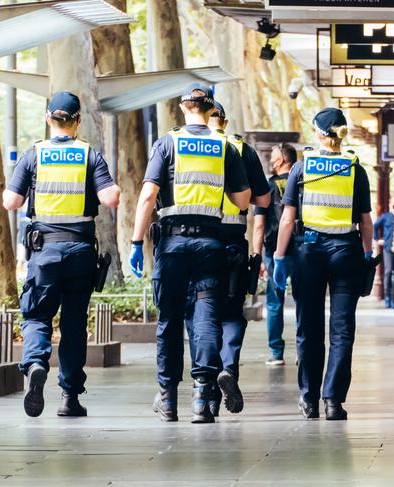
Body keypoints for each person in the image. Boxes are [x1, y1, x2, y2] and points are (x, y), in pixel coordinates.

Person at [128, 84, 251, 423]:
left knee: (169, 319)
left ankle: (168, 399)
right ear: (211, 109)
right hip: (211, 244)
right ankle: (202, 397)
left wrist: (137, 242)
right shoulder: (225, 147)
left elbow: (148, 195)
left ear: (182, 108)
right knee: (207, 317)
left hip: (172, 243)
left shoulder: (167, 143)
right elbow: (242, 201)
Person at [2, 91, 120, 418]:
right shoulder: (89, 155)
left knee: (37, 315)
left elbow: (10, 202)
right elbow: (110, 198)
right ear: (77, 121)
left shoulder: (33, 155)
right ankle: (70, 397)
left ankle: (37, 364)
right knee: (73, 324)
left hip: (44, 251)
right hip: (81, 251)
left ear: (47, 119)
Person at [273, 108, 373, 420]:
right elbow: (366, 222)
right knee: (342, 330)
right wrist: (369, 256)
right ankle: (333, 401)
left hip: (309, 253)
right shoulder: (356, 168)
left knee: (309, 327)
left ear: (318, 133)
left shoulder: (301, 168)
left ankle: (309, 399)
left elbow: (288, 219)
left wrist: (278, 257)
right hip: (346, 251)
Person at [184, 101, 270, 415]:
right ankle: (228, 370)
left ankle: (203, 386)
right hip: (233, 241)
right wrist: (258, 251)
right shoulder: (241, 150)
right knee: (232, 313)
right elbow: (263, 200)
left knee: (198, 314)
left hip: (193, 240)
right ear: (225, 119)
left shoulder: (183, 145)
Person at [253, 143, 298, 366]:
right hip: (300, 251)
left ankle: (276, 353)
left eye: (272, 157)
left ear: (281, 160)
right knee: (304, 302)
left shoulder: (266, 188)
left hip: (273, 253)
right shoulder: (303, 184)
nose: (270, 160)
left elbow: (259, 225)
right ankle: (303, 350)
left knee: (274, 303)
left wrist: (257, 254)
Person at [373, 196, 394, 309]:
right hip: (388, 249)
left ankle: (393, 300)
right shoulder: (386, 217)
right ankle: (387, 299)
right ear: (390, 203)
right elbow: (375, 226)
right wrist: (377, 239)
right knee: (388, 271)